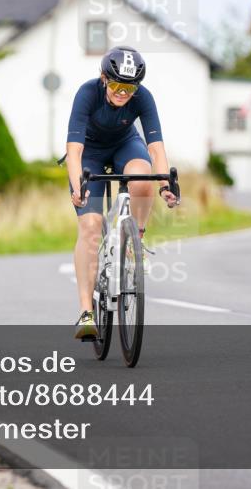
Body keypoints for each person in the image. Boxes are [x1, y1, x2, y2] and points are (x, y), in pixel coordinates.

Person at [64, 46, 179, 340]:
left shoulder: (143, 98)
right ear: (104, 78)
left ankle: (135, 240)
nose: (123, 93)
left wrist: (165, 186)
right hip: (89, 154)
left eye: (130, 88)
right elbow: (74, 150)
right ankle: (86, 312)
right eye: (116, 86)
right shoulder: (87, 94)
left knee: (142, 177)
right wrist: (77, 187)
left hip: (125, 146)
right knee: (90, 226)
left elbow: (156, 149)